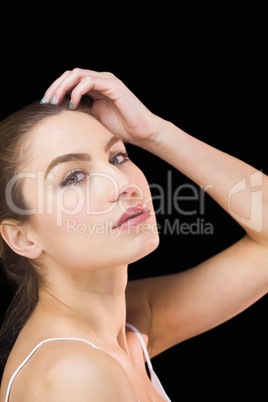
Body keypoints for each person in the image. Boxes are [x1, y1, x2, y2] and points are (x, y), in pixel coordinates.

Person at [0, 68, 267, 401]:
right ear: (23, 239)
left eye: (118, 156)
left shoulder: (128, 326)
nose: (123, 183)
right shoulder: (73, 375)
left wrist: (154, 132)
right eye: (73, 178)